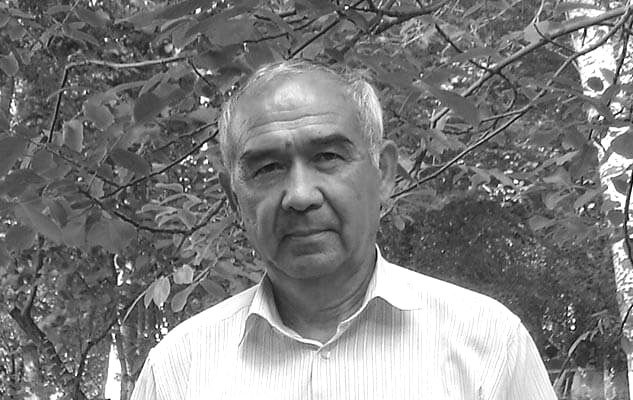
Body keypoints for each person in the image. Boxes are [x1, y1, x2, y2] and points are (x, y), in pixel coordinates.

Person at [131, 60, 557, 399]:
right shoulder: (180, 372)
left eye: (328, 157)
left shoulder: (487, 346)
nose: (300, 195)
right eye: (268, 168)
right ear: (233, 198)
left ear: (383, 174)